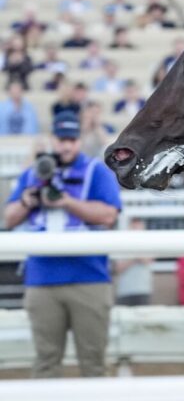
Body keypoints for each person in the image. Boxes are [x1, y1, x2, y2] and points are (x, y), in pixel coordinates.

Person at [4, 111, 121, 378]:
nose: (66, 146)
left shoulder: (95, 170)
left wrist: (67, 202)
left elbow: (108, 215)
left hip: (88, 276)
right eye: (61, 139)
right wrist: (27, 200)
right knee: (46, 363)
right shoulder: (34, 172)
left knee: (94, 364)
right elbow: (9, 218)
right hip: (42, 278)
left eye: (71, 139)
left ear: (79, 140)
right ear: (52, 140)